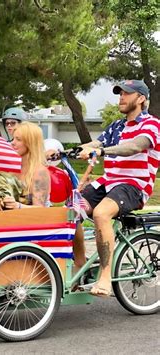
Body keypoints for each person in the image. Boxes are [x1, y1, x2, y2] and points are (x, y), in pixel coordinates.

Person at [73, 79, 159, 297]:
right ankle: (80, 265)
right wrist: (74, 150)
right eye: (120, 93)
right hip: (108, 182)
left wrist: (103, 152)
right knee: (71, 209)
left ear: (141, 99)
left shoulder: (151, 124)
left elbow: (134, 147)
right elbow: (97, 144)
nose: (121, 97)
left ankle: (105, 276)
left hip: (133, 185)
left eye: (127, 93)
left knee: (102, 214)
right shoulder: (116, 126)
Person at [0, 121, 51, 212]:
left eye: (18, 139)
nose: (12, 143)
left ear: (30, 143)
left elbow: (40, 209)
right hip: (3, 220)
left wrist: (18, 206)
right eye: (13, 139)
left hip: (29, 223)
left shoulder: (39, 172)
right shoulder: (10, 167)